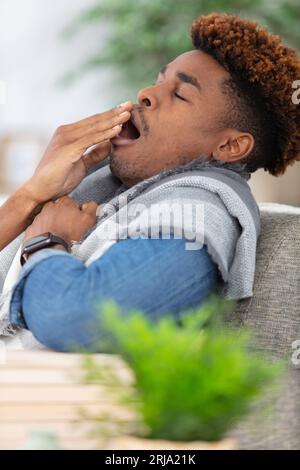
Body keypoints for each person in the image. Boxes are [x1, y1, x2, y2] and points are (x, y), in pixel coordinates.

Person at [1, 13, 299, 351]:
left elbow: (74, 320)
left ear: (230, 146)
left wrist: (45, 241)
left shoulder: (194, 214)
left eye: (180, 94)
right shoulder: (111, 187)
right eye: (159, 80)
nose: (145, 93)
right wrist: (32, 195)